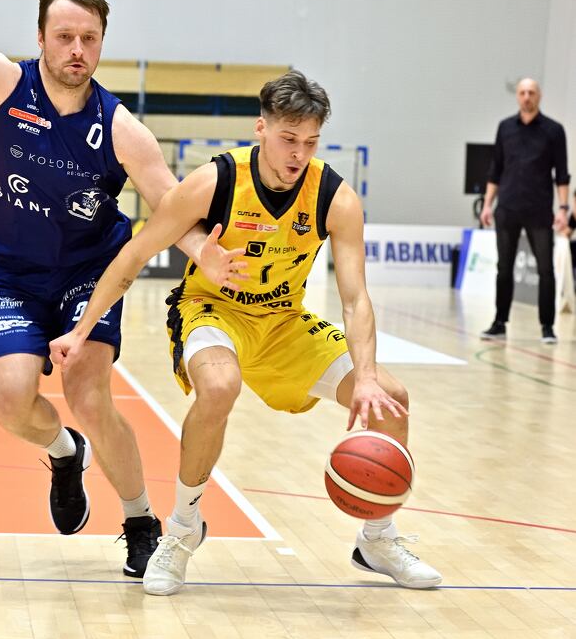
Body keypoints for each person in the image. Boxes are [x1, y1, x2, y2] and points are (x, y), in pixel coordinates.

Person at [0, 0, 240, 577]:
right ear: (41, 38)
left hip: (89, 275)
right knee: (9, 400)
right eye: (64, 36)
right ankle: (65, 453)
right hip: (12, 276)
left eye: (88, 37)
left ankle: (140, 519)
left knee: (89, 394)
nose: (76, 49)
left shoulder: (119, 127)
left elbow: (168, 200)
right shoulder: (0, 84)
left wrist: (201, 249)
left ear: (101, 43)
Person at [50, 69, 442, 595]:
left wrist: (367, 375)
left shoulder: (335, 197)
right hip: (212, 311)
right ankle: (182, 531)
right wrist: (81, 330)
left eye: (310, 142)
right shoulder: (214, 182)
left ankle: (378, 539)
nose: (298, 154)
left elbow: (354, 298)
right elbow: (135, 254)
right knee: (219, 386)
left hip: (283, 323)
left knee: (391, 399)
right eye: (288, 139)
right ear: (262, 128)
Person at [480, 78, 570, 344]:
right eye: (522, 92)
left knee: (546, 269)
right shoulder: (505, 128)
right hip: (507, 207)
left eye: (531, 92)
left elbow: (562, 174)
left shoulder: (554, 130)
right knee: (503, 268)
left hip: (539, 210)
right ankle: (499, 322)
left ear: (539, 96)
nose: (527, 97)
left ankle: (547, 326)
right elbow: (495, 169)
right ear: (517, 96)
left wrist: (563, 208)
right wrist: (487, 204)